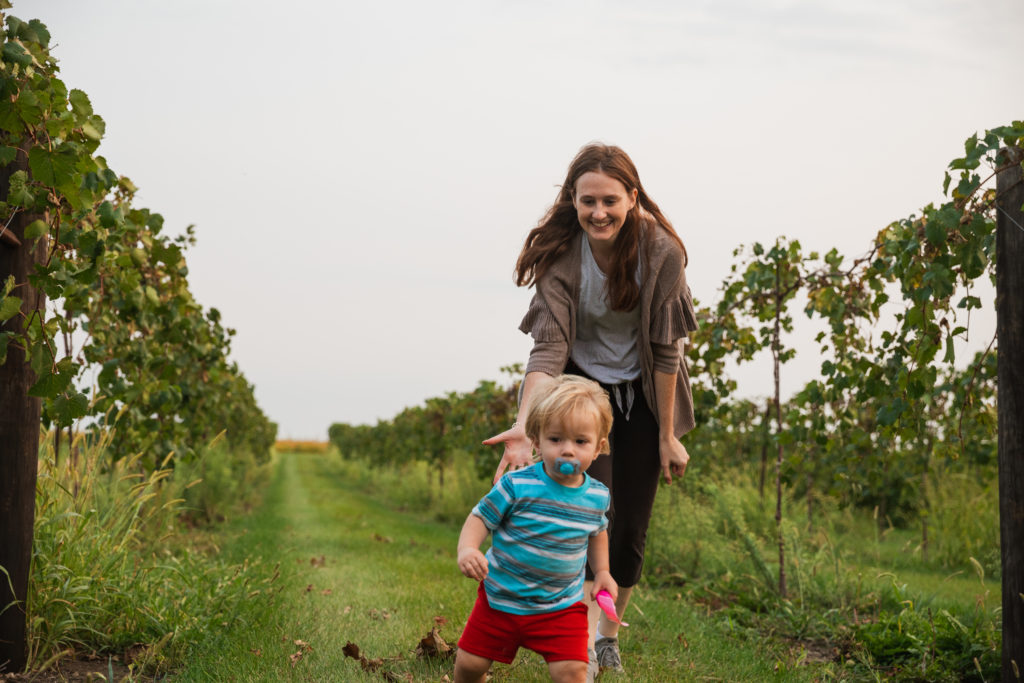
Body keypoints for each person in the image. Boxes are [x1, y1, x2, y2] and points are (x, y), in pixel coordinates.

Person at [483, 142, 699, 678]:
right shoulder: (563, 256)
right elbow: (548, 349)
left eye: (609, 200)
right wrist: (525, 424)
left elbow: (667, 350)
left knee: (629, 534)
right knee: (586, 515)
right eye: (587, 202)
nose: (598, 212)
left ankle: (607, 636)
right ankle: (577, 640)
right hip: (583, 397)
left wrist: (666, 433)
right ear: (572, 201)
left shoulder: (662, 252)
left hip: (645, 396)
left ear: (632, 197)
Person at [454, 375, 619, 683]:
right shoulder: (517, 485)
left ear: (598, 448)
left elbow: (597, 532)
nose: (567, 450)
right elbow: (480, 518)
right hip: (501, 599)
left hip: (561, 606)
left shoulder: (597, 495)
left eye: (580, 442)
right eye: (556, 439)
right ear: (536, 440)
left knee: (572, 671)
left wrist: (603, 572)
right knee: (470, 664)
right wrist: (468, 548)